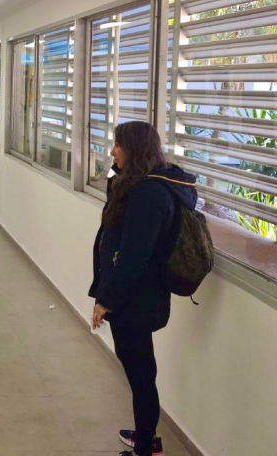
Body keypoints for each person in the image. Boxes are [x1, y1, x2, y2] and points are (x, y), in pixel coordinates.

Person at [89, 121, 197, 456]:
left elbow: (134, 258)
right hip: (136, 297)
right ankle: (145, 435)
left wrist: (106, 300)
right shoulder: (138, 183)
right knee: (139, 368)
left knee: (140, 374)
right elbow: (110, 190)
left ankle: (146, 446)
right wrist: (116, 171)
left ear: (134, 150)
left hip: (137, 300)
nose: (112, 151)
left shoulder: (149, 194)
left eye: (118, 146)